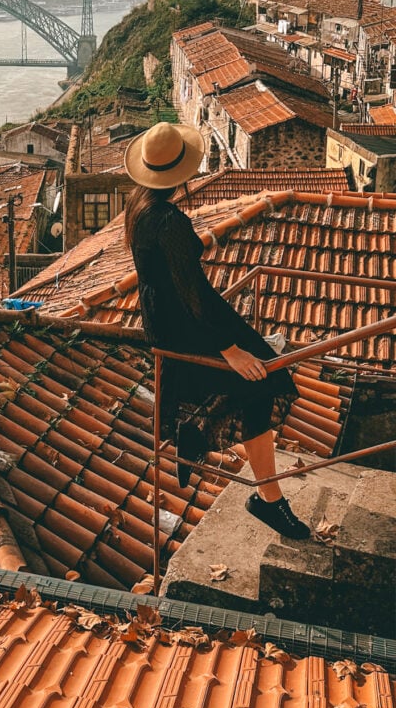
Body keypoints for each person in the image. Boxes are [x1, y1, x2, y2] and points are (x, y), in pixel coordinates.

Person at [123, 121, 310, 539]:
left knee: (258, 375)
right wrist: (229, 348)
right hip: (188, 322)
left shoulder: (139, 207)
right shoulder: (169, 221)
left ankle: (204, 441)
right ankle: (267, 497)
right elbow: (193, 293)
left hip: (164, 321)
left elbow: (168, 272)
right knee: (263, 377)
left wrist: (194, 246)